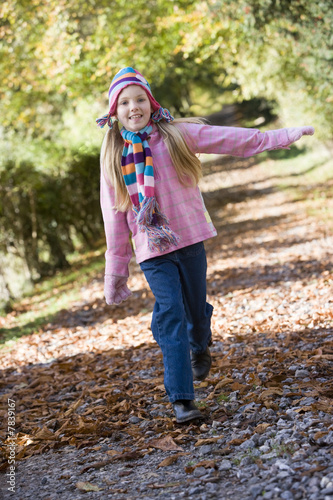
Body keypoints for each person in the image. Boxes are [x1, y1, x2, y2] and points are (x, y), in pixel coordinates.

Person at [96, 67, 314, 423]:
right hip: (152, 249)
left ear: (151, 103)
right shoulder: (113, 158)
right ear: (113, 112)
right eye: (124, 102)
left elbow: (229, 139)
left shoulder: (176, 135)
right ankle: (182, 400)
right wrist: (116, 272)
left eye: (139, 99)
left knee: (196, 311)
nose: (133, 107)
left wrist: (282, 136)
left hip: (191, 238)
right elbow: (114, 218)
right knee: (171, 314)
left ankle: (200, 344)